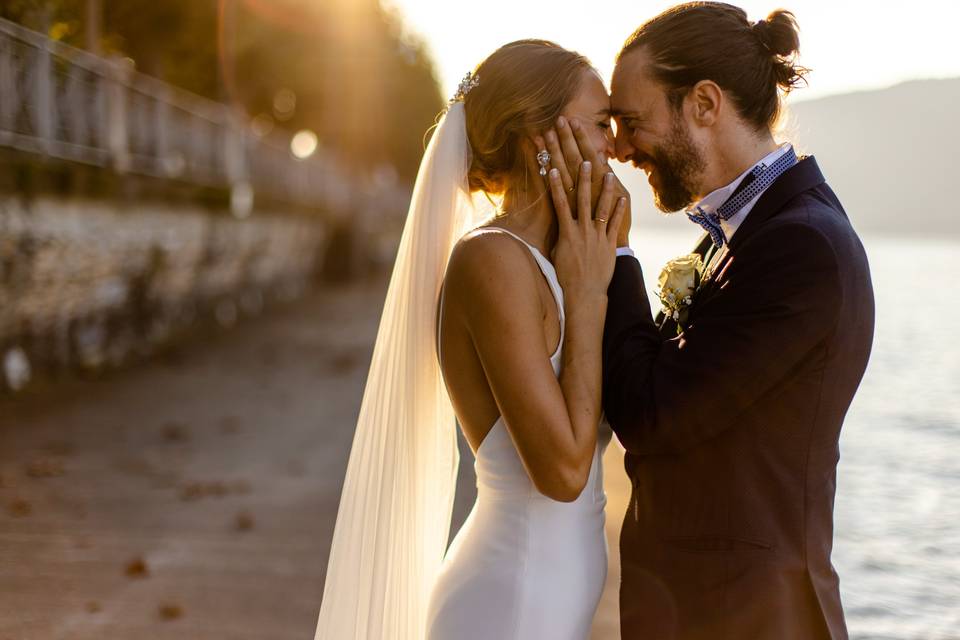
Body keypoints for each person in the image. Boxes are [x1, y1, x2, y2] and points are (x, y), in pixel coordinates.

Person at [546, 3, 875, 639]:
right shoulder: (732, 239)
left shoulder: (805, 248)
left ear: (703, 103)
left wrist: (613, 253)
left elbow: (651, 415)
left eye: (632, 121)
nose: (618, 147)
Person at [314, 40, 627, 640]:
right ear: (542, 138)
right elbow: (562, 474)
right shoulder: (491, 260)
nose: (614, 144)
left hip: (547, 598)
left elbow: (599, 427)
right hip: (508, 602)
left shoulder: (561, 260)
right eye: (599, 123)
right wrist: (588, 298)